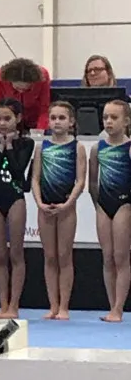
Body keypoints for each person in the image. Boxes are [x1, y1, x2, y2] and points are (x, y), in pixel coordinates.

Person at [30, 101, 86, 320]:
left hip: (66, 207)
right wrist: (39, 203)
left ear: (71, 122)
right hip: (45, 206)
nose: (57, 122)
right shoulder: (41, 147)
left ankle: (64, 306)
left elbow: (80, 180)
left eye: (62, 118)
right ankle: (53, 305)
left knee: (64, 256)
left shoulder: (77, 147)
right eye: (53, 118)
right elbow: (35, 178)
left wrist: (69, 203)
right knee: (50, 256)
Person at [0, 98, 34, 319]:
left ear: (18, 119)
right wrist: (0, 147)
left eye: (7, 119)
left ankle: (14, 305)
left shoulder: (26, 143)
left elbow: (18, 169)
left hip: (15, 198)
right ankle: (3, 304)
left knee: (16, 253)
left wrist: (9, 146)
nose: (2, 123)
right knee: (0, 254)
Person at [88, 100, 131, 322]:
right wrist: (97, 205)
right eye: (105, 117)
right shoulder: (98, 148)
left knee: (121, 256)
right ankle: (111, 305)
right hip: (103, 205)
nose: (108, 122)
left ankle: (118, 308)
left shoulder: (129, 148)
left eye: (114, 117)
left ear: (126, 121)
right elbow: (92, 182)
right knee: (107, 257)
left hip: (124, 204)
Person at [0, 58, 50, 131]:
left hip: (34, 120)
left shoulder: (43, 77)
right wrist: (4, 129)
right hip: (9, 122)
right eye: (17, 89)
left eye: (26, 89)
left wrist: (40, 131)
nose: (21, 91)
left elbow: (44, 108)